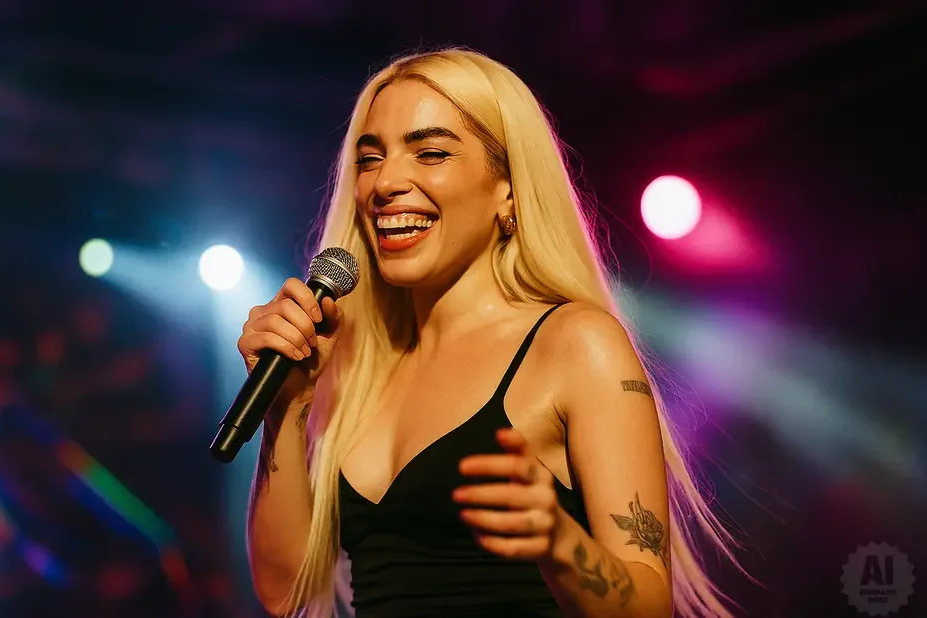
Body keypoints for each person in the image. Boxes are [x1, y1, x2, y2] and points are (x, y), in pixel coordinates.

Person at [239, 48, 743, 618]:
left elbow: (647, 605)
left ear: (508, 189)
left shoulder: (575, 344)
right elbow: (285, 593)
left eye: (430, 153)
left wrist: (560, 541)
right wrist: (287, 407)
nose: (386, 182)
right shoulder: (358, 361)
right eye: (370, 158)